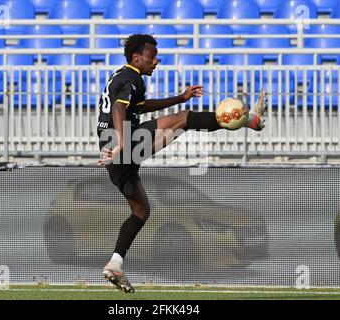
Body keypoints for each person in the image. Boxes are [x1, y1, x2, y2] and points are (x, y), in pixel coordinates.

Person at [97, 34, 267, 293]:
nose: (156, 61)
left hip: (112, 151)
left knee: (141, 211)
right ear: (136, 57)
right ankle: (249, 120)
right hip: (122, 143)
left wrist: (179, 97)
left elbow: (137, 107)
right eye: (151, 56)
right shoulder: (132, 77)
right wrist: (122, 143)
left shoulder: (123, 76)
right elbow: (120, 110)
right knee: (184, 119)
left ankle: (115, 263)